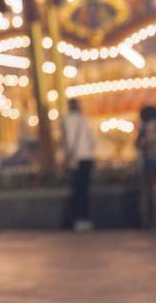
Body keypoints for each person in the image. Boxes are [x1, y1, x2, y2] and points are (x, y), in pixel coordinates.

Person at [62, 98, 96, 231]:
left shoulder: (66, 121)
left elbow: (67, 142)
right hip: (87, 158)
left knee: (76, 190)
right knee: (85, 190)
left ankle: (76, 220)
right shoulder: (85, 120)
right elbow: (93, 141)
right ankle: (85, 219)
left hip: (74, 159)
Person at [136, 105, 156, 227]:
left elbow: (140, 145)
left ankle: (150, 221)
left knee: (150, 194)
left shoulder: (145, 129)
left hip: (150, 163)